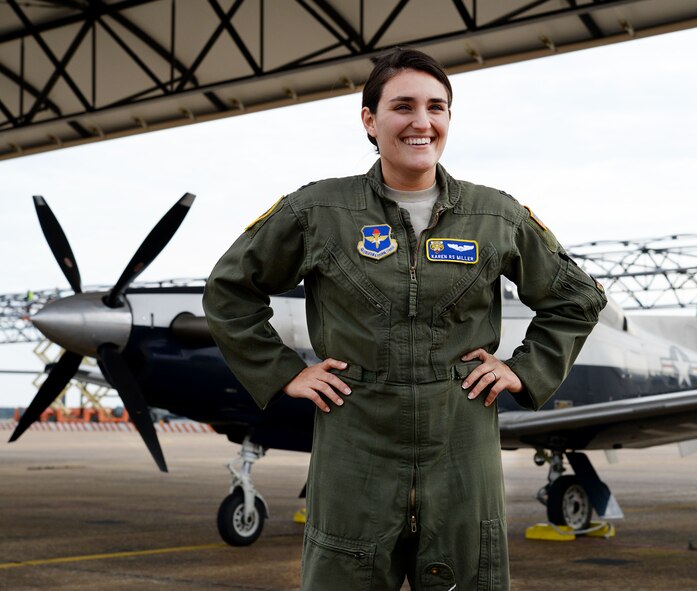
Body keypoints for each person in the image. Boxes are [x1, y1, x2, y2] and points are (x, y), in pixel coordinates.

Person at [204, 47, 606, 591]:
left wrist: (524, 369)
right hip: (355, 443)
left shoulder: (495, 215)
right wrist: (283, 372)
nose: (422, 122)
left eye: (436, 108)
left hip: (462, 443)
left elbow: (576, 297)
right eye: (403, 107)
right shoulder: (318, 211)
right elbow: (229, 290)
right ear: (370, 120)